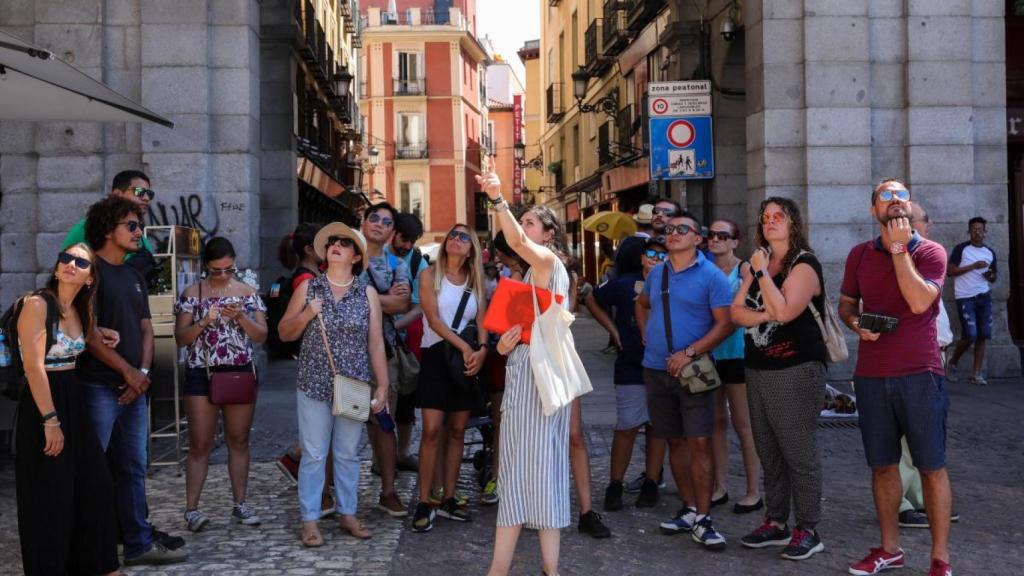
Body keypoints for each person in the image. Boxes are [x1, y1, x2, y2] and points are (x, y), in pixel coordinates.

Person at [839, 178, 953, 576]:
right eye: (885, 197)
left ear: (910, 205)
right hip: (871, 374)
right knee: (883, 466)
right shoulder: (858, 255)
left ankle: (940, 559)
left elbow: (920, 301)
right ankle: (890, 549)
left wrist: (901, 248)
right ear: (874, 210)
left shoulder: (932, 252)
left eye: (901, 195)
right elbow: (846, 303)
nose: (894, 202)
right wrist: (855, 323)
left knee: (930, 466)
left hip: (920, 373)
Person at [479, 160, 578, 576]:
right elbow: (518, 334)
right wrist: (504, 343)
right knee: (514, 473)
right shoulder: (523, 279)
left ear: (549, 235)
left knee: (544, 471)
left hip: (544, 381)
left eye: (533, 221)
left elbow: (516, 241)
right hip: (522, 374)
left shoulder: (550, 265)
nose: (524, 226)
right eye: (524, 221)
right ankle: (498, 570)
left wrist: (499, 198)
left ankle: (550, 571)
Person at [76, 196, 187, 565]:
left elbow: (146, 328)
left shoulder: (132, 274)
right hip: (98, 386)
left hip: (134, 387)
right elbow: (88, 334)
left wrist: (142, 373)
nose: (140, 232)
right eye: (132, 225)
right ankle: (91, 549)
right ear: (108, 229)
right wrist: (128, 373)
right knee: (92, 469)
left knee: (134, 467)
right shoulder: (89, 272)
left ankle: (138, 543)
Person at [277, 222, 391, 546]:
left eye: (344, 242)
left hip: (354, 384)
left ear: (356, 256)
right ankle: (310, 519)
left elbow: (376, 345)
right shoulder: (309, 288)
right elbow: (284, 333)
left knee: (348, 452)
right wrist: (307, 315)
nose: (336, 246)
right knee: (314, 453)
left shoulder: (367, 293)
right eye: (332, 242)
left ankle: (348, 513)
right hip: (314, 381)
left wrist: (382, 386)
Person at [730, 198, 829, 561]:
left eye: (778, 217)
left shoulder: (803, 265)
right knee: (768, 451)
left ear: (793, 223)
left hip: (797, 370)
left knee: (797, 452)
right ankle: (776, 521)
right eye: (765, 217)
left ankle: (808, 527)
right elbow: (736, 313)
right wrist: (764, 310)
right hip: (757, 369)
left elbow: (786, 312)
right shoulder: (760, 262)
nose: (770, 223)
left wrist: (761, 277)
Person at [14, 245, 121, 576]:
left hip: (73, 399)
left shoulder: (80, 309)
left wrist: (101, 333)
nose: (71, 264)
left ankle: (98, 566)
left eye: (82, 262)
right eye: (66, 258)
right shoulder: (36, 304)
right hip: (43, 404)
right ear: (57, 267)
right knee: (50, 496)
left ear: (90, 277)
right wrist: (50, 420)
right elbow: (34, 367)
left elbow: (77, 340)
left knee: (95, 486)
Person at [635, 211, 733, 551]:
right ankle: (690, 509)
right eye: (670, 228)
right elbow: (642, 304)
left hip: (695, 373)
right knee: (673, 441)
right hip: (656, 369)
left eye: (682, 229)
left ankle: (705, 517)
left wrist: (689, 352)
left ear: (698, 239)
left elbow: (726, 324)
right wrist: (646, 332)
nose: (673, 233)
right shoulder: (658, 272)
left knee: (700, 442)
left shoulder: (711, 276)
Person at [174, 237, 268, 532]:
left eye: (229, 269)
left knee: (238, 440)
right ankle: (192, 510)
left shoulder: (248, 293)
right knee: (200, 443)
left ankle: (240, 503)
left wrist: (240, 316)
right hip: (201, 372)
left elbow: (261, 335)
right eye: (217, 270)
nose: (224, 276)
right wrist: (204, 322)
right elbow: (180, 338)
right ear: (206, 268)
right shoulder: (192, 294)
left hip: (238, 369)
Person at [411, 224, 489, 531]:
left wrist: (482, 350)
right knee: (431, 431)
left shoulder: (476, 280)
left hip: (466, 360)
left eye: (463, 237)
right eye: (452, 235)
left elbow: (482, 317)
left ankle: (449, 497)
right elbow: (432, 318)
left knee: (457, 431)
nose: (456, 240)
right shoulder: (429, 276)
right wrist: (465, 346)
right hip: (436, 356)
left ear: (471, 248)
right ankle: (424, 499)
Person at [593, 237, 669, 511]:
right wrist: (613, 332)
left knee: (657, 428)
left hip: (663, 366)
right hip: (631, 365)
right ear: (641, 257)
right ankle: (615, 484)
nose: (656, 258)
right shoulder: (625, 284)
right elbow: (592, 299)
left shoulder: (673, 283)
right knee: (626, 426)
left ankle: (651, 482)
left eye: (662, 255)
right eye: (651, 253)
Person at [900, 205, 958, 529]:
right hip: (913, 359)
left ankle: (925, 499)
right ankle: (902, 504)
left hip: (937, 355)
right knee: (905, 437)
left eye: (918, 221)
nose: (923, 226)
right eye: (915, 222)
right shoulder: (899, 258)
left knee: (928, 434)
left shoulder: (931, 254)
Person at [706, 218, 763, 515]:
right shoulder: (704, 270)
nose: (714, 239)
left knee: (743, 424)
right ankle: (720, 486)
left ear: (734, 241)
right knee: (716, 422)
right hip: (711, 354)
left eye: (721, 235)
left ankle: (754, 491)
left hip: (739, 353)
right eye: (711, 235)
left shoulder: (745, 270)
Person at [359, 202, 411, 517]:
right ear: (363, 222)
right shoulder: (348, 254)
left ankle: (388, 491)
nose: (379, 224)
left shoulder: (397, 264)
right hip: (350, 355)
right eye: (374, 218)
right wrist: (383, 299)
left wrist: (362, 296)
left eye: (386, 221)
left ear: (392, 231)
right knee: (347, 422)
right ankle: (334, 491)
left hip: (384, 354)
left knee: (384, 422)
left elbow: (402, 304)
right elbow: (340, 296)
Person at [62, 170, 159, 286]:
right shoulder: (86, 228)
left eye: (150, 194)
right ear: (117, 194)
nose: (146, 198)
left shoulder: (142, 240)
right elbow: (66, 273)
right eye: (139, 192)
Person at [386, 212, 429, 472]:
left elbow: (418, 306)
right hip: (369, 341)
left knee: (404, 402)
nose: (407, 245)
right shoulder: (372, 256)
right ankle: (382, 459)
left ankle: (401, 454)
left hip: (402, 346)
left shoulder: (417, 264)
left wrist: (392, 327)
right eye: (404, 238)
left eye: (412, 240)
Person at [946, 216, 997, 385]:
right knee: (970, 334)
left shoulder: (990, 253)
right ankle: (952, 362)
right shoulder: (962, 249)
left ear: (985, 232)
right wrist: (973, 267)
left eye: (980, 230)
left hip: (984, 296)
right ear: (969, 231)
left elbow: (993, 276)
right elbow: (950, 271)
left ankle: (977, 373)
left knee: (983, 335)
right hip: (965, 297)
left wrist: (990, 275)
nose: (977, 232)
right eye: (974, 229)